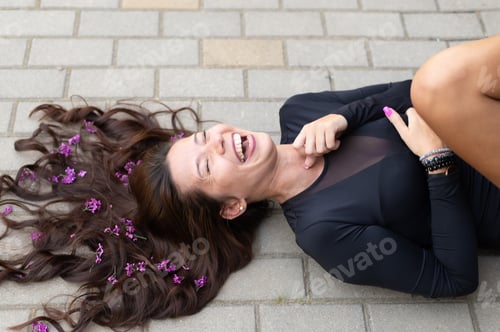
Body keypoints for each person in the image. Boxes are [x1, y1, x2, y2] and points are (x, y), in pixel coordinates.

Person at [0, 37, 498, 331]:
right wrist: (438, 164)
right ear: (233, 206)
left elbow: (403, 91)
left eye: (201, 138)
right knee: (444, 79)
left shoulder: (300, 109)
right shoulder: (324, 230)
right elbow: (454, 280)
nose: (218, 140)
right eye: (207, 166)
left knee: (449, 78)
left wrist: (344, 118)